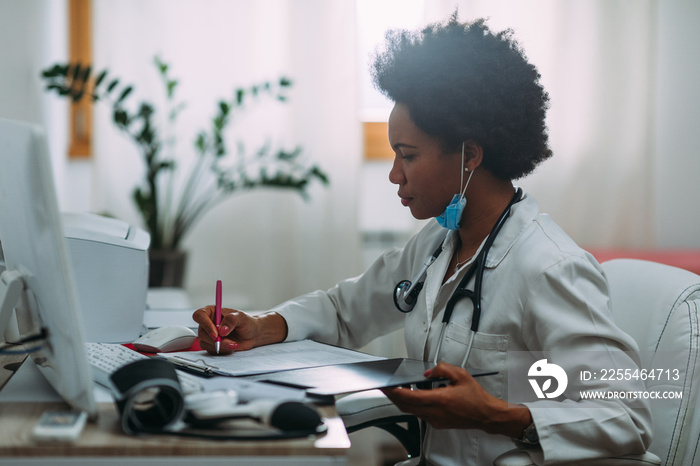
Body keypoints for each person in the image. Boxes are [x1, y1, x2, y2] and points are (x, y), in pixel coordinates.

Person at [193, 14, 652, 465]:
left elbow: (627, 418)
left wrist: (498, 415)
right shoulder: (437, 243)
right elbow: (344, 309)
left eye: (407, 155)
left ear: (469, 154)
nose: (394, 174)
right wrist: (260, 324)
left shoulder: (550, 268)